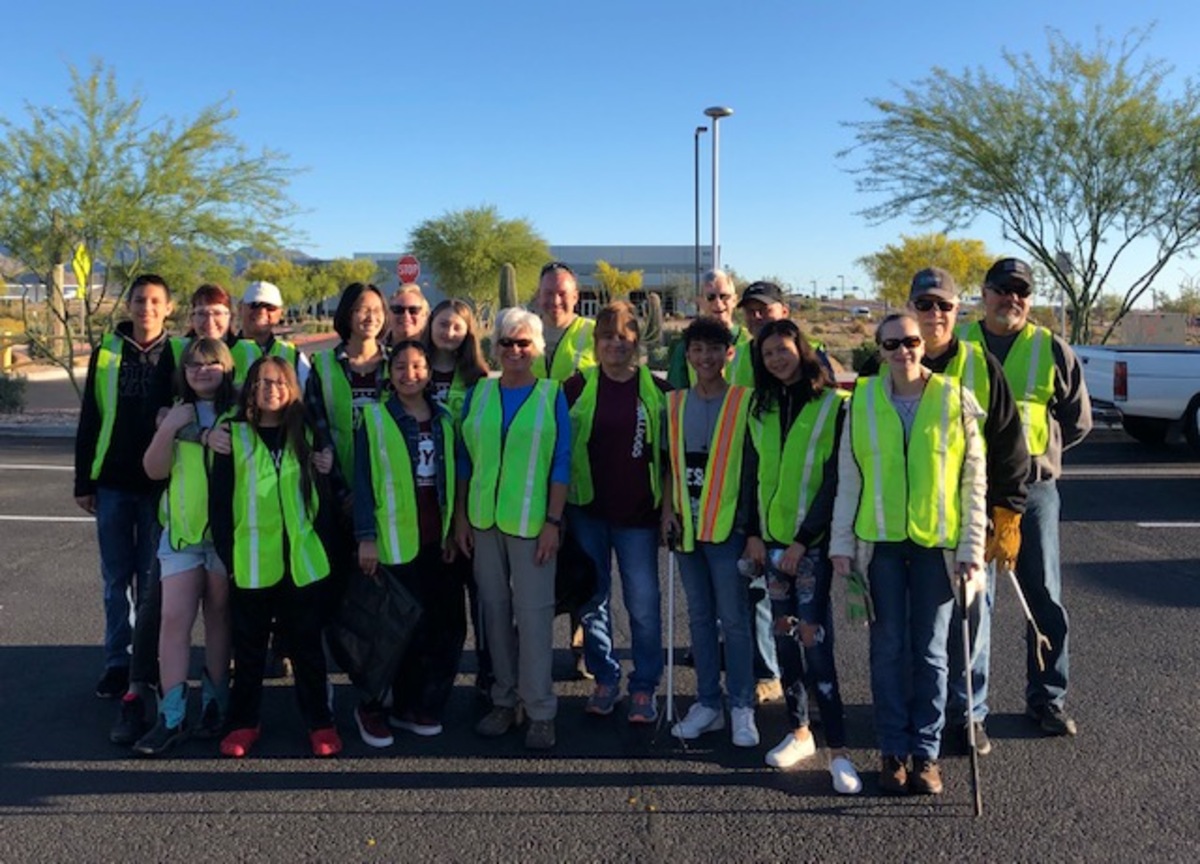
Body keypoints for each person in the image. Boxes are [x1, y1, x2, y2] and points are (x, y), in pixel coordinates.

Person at [830, 312, 987, 796]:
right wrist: (840, 544)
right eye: (892, 344)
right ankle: (892, 750)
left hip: (937, 548)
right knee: (887, 649)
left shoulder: (954, 398)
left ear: (925, 344)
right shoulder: (861, 401)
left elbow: (973, 480)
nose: (904, 351)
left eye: (912, 341)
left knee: (932, 653)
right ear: (879, 351)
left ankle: (926, 752)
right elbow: (849, 477)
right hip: (878, 546)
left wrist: (972, 547)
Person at [960, 256, 1092, 737]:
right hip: (970, 491)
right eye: (1002, 289)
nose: (1011, 299)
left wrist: (1038, 457)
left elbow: (1077, 421)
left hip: (1034, 493)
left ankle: (1048, 699)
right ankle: (970, 709)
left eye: (1021, 291)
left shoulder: (1051, 348)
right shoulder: (958, 345)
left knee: (1044, 598)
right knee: (974, 602)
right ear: (984, 293)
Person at [902, 267, 1029, 756]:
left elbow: (1009, 445)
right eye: (924, 304)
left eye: (943, 305)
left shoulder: (980, 366)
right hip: (906, 523)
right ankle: (922, 708)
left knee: (972, 623)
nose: (934, 313)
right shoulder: (886, 361)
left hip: (969, 523)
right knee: (916, 626)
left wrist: (1007, 512)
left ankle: (970, 713)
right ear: (911, 308)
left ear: (958, 311)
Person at [740, 318, 860, 795]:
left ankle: (840, 752)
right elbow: (751, 473)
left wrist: (803, 540)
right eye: (767, 353)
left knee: (815, 644)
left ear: (801, 349)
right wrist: (752, 533)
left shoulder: (834, 406)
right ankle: (799, 732)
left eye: (782, 349)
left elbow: (836, 480)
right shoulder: (760, 406)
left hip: (808, 548)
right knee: (785, 641)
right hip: (770, 545)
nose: (776, 359)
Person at [209, 357, 341, 758]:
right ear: (250, 389)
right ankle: (243, 723)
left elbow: (323, 500)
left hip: (302, 562)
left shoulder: (306, 432)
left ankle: (319, 722)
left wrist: (324, 549)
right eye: (263, 383)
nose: (271, 390)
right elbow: (220, 504)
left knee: (307, 648)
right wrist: (229, 558)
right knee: (249, 648)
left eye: (280, 382)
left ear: (291, 389)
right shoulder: (233, 434)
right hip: (251, 562)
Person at [455, 308, 570, 750]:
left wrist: (553, 522)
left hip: (532, 523)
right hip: (483, 521)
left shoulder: (551, 394)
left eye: (523, 343)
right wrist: (461, 518)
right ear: (496, 347)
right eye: (507, 342)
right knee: (494, 613)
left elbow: (560, 463)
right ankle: (504, 699)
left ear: (537, 348)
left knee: (535, 615)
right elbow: (464, 459)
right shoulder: (479, 393)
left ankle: (540, 708)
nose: (515, 350)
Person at [563, 301, 671, 724]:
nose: (615, 344)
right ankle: (605, 677)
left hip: (639, 514)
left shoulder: (658, 391)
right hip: (587, 511)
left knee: (643, 603)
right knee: (593, 600)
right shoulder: (576, 387)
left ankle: (644, 684)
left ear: (637, 341)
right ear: (596, 342)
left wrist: (669, 509)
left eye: (624, 337)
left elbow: (670, 456)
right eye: (607, 336)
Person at [74, 274, 177, 716]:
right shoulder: (107, 353)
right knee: (116, 580)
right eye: (139, 300)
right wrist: (84, 480)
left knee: (151, 581)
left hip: (160, 487)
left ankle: (146, 662)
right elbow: (91, 418)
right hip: (114, 483)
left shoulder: (181, 353)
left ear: (168, 308)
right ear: (128, 305)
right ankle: (117, 661)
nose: (146, 308)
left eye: (155, 301)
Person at [352, 340, 463, 745]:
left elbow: (452, 481)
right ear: (389, 373)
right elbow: (363, 483)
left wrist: (452, 531)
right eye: (400, 366)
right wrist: (366, 538)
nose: (409, 374)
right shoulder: (375, 419)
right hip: (393, 541)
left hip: (436, 539)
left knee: (441, 627)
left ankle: (415, 704)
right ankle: (371, 706)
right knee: (392, 632)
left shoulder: (444, 419)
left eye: (417, 366)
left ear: (429, 372)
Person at [133, 338, 238, 756]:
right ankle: (172, 714)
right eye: (193, 364)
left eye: (211, 363)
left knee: (219, 619)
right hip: (181, 536)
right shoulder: (177, 412)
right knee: (174, 620)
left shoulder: (240, 414)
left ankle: (215, 703)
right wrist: (169, 427)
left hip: (225, 538)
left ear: (226, 367)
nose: (201, 370)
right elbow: (154, 470)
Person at [661, 317, 758, 748]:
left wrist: (751, 529)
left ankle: (742, 705)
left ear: (728, 354)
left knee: (733, 620)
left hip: (727, 527)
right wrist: (667, 511)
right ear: (688, 355)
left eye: (714, 349)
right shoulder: (674, 403)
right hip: (687, 527)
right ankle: (707, 703)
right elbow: (667, 464)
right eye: (698, 349)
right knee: (699, 618)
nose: (706, 358)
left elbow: (753, 469)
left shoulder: (744, 401)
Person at [422, 299, 492, 699]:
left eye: (457, 327)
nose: (449, 332)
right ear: (431, 325)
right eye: (443, 324)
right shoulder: (414, 371)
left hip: (470, 496)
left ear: (468, 333)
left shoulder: (479, 380)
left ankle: (489, 673)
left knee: (484, 597)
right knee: (442, 602)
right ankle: (437, 682)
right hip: (426, 497)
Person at [307, 282, 390, 486]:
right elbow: (316, 427)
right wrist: (339, 488)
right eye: (363, 310)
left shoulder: (397, 364)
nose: (371, 317)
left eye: (377, 310)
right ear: (347, 313)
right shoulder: (322, 364)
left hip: (389, 480)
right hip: (337, 480)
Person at [665, 270, 750, 389]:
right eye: (710, 297)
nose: (718, 303)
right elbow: (675, 395)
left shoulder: (751, 342)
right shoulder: (686, 347)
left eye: (724, 296)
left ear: (735, 300)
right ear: (700, 302)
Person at [232, 280, 311, 389]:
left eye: (270, 307)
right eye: (254, 305)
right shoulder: (225, 351)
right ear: (240, 308)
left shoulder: (295, 356)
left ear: (281, 313)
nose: (261, 311)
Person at [532, 261, 595, 381]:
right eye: (548, 293)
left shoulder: (595, 333)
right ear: (539, 296)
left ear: (575, 297)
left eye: (562, 294)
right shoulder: (524, 333)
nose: (555, 301)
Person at [386, 283, 430, 347]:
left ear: (425, 316)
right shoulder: (375, 350)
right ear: (388, 314)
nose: (406, 315)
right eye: (398, 309)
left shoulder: (435, 350)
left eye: (413, 310)